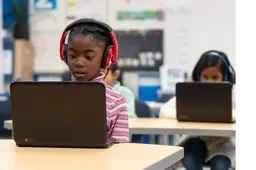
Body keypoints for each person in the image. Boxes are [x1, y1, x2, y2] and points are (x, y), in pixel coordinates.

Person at [159, 50, 236, 170]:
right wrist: (187, 113)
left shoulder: (233, 92)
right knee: (189, 160)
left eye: (215, 77)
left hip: (222, 142)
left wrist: (226, 115)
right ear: (198, 76)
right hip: (194, 140)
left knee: (221, 165)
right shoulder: (191, 91)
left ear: (225, 76)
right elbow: (164, 110)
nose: (209, 81)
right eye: (205, 77)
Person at [59, 18, 129, 143]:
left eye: (89, 57)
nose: (79, 62)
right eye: (73, 56)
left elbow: (121, 151)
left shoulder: (117, 103)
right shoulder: (55, 96)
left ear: (106, 59)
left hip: (100, 162)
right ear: (65, 55)